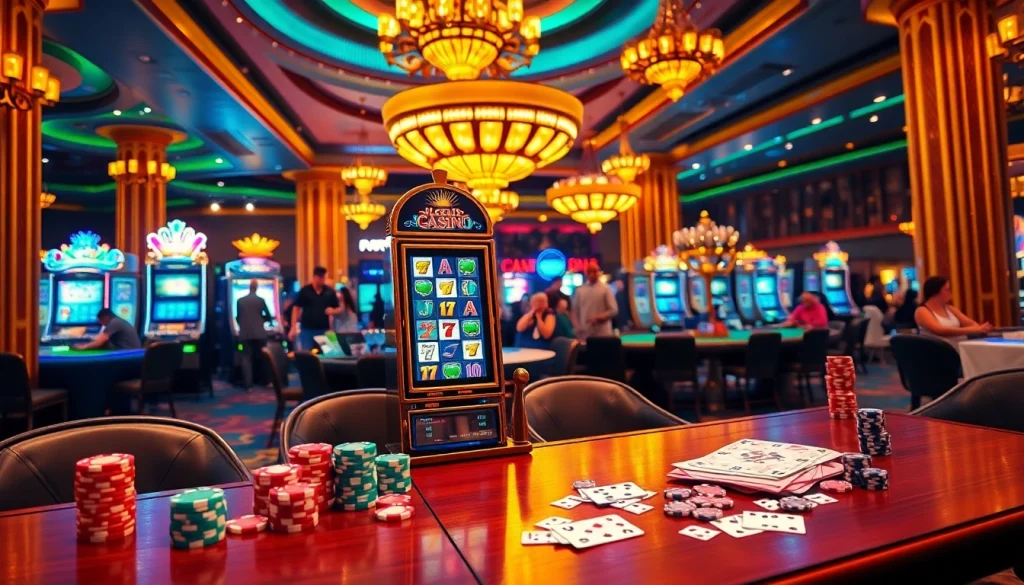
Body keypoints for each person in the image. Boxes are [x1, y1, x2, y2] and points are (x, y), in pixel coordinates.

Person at [914, 276, 991, 343]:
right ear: (935, 292)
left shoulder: (950, 309)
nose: (950, 292)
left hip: (958, 348)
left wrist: (976, 328)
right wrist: (974, 330)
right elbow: (940, 330)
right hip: (937, 352)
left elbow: (973, 324)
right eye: (947, 289)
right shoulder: (922, 311)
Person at [289, 266, 339, 351]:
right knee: (307, 354)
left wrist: (333, 311)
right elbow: (296, 308)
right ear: (315, 277)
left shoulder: (329, 292)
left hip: (325, 329)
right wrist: (293, 326)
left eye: (324, 277)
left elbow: (337, 309)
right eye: (321, 277)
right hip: (307, 329)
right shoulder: (305, 291)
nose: (323, 280)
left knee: (327, 354)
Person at [236, 280, 272, 391]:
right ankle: (265, 382)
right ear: (256, 288)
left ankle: (248, 385)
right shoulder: (261, 300)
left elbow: (238, 317)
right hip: (260, 333)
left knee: (246, 359)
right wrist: (261, 321)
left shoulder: (240, 301)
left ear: (249, 288)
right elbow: (269, 317)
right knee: (263, 358)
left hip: (245, 334)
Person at [571, 263, 618, 341]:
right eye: (589, 272)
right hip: (585, 334)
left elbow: (613, 310)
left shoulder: (605, 289)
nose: (592, 274)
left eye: (594, 271)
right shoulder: (580, 290)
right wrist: (577, 327)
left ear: (599, 273)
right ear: (586, 273)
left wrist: (599, 317)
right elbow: (575, 312)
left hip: (603, 333)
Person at [75, 308, 142, 350]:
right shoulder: (118, 321)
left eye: (101, 320)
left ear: (106, 317)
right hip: (131, 352)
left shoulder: (114, 322)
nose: (101, 323)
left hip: (129, 354)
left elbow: (99, 342)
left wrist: (84, 346)